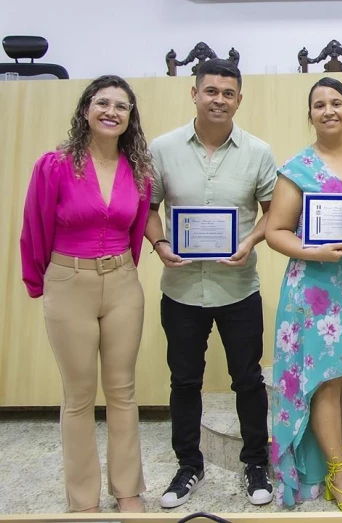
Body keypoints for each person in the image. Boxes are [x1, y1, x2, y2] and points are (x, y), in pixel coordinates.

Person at [145, 59, 276, 508]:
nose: (219, 99)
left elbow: (273, 212)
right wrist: (161, 244)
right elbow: (149, 207)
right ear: (194, 93)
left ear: (239, 99)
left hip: (238, 286)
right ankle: (188, 466)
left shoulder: (258, 152)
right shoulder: (161, 149)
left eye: (228, 93)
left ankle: (256, 463)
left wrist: (252, 239)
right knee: (184, 382)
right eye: (211, 91)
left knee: (248, 380)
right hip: (181, 289)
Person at [20, 75, 151, 513]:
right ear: (85, 110)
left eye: (122, 106)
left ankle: (128, 490)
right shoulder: (54, 165)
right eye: (103, 103)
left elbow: (134, 234)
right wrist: (40, 283)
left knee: (122, 391)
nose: (111, 111)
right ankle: (82, 500)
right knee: (78, 396)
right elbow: (34, 228)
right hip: (67, 280)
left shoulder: (139, 171)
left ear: (131, 118)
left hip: (122, 284)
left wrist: (123, 272)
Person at [266, 77, 342, 511]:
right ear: (311, 115)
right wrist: (313, 250)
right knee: (324, 379)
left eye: (336, 102)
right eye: (318, 105)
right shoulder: (296, 168)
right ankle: (336, 472)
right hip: (314, 289)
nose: (328, 110)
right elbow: (274, 232)